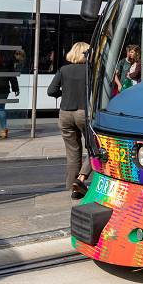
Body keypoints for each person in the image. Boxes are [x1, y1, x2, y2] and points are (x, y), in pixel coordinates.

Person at [48, 41, 92, 199]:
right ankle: (81, 178)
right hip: (84, 113)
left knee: (73, 153)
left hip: (65, 113)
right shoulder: (90, 70)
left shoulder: (63, 70)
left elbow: (51, 91)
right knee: (95, 147)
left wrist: (64, 94)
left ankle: (74, 189)